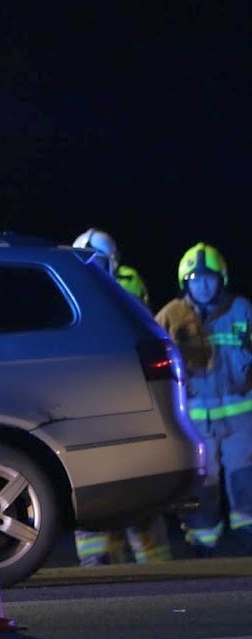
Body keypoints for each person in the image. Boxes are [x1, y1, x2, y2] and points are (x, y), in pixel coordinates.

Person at [69, 228, 172, 565]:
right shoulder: (68, 297)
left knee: (138, 499)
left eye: (98, 261)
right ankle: (97, 572)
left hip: (128, 409)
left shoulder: (125, 295)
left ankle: (158, 576)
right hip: (88, 414)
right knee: (90, 496)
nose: (92, 267)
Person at [156, 242, 251, 556]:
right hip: (196, 420)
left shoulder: (242, 309)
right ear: (186, 281)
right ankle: (203, 542)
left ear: (221, 279)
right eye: (196, 278)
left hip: (242, 417)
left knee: (245, 479)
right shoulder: (171, 315)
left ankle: (247, 536)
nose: (204, 284)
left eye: (210, 278)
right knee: (202, 483)